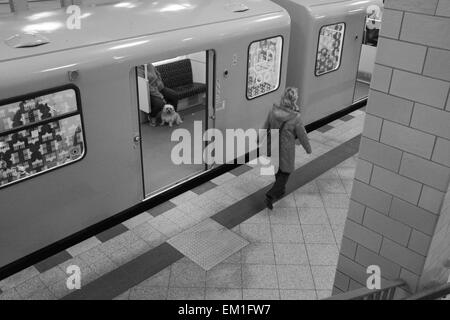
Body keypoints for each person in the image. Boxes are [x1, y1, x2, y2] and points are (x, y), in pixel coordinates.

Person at [263, 87, 312, 210]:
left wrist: (259, 140)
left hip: (273, 145)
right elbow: (302, 135)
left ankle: (280, 190)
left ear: (283, 98)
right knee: (286, 172)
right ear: (294, 100)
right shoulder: (295, 118)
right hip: (286, 150)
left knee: (278, 169)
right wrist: (308, 148)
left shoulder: (272, 112)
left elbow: (265, 128)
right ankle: (271, 194)